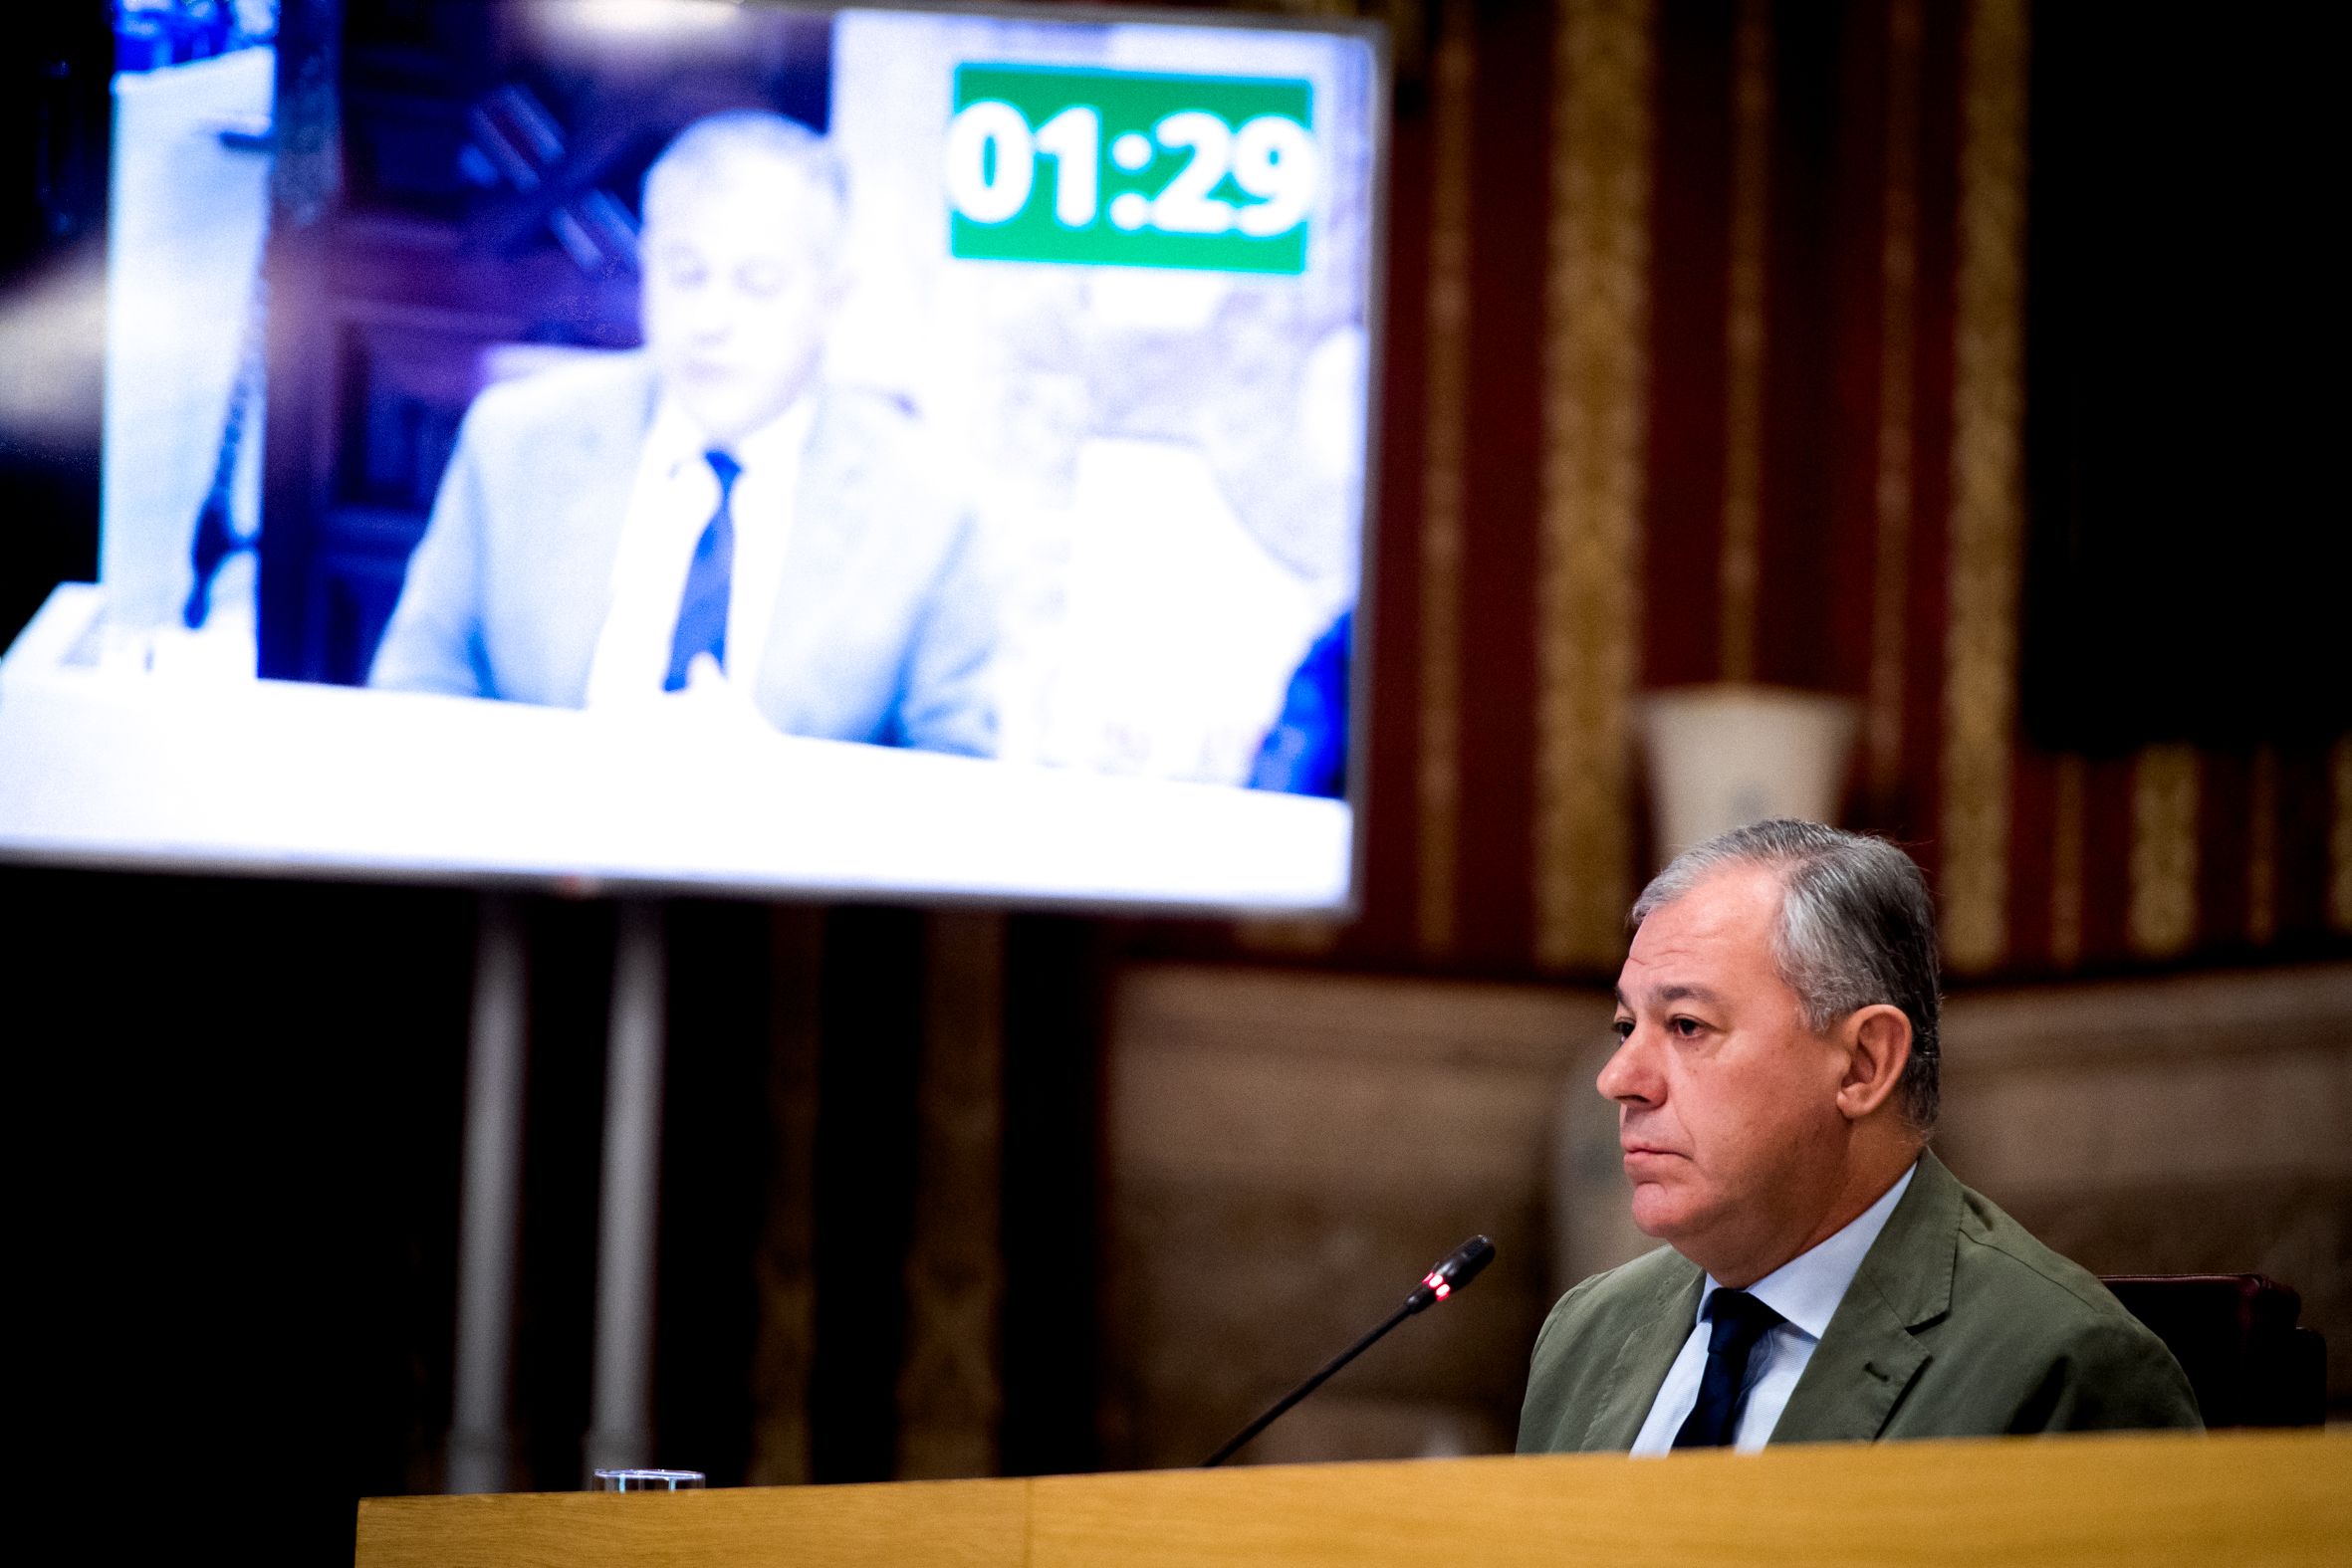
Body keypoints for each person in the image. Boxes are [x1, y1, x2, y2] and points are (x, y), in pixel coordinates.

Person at [1518, 819, 2201, 1453]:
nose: (1619, 1077)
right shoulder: (1586, 1335)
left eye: (1687, 1026)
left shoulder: (2063, 1365)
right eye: (1625, 1026)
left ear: (1863, 1064)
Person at [369, 112, 998, 756]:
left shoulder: (929, 509)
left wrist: (787, 791)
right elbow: (415, 686)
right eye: (685, 272)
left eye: (758, 283)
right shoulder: (513, 441)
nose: (711, 318)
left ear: (832, 299)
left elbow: (962, 781)